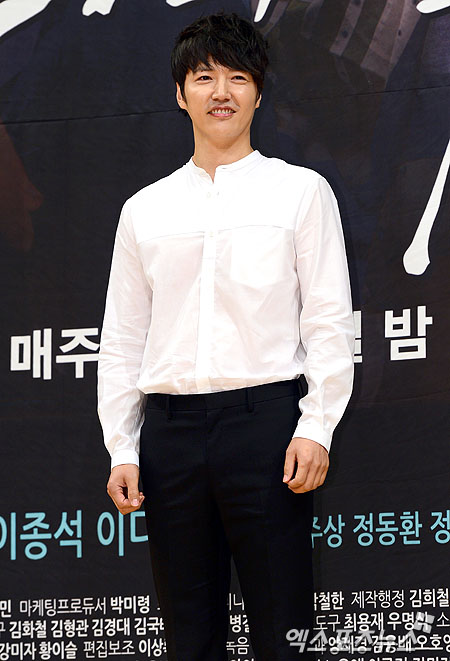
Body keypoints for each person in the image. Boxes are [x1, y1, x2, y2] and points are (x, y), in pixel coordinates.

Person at [97, 11, 355, 661]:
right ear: (179, 93)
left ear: (259, 94)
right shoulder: (144, 210)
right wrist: (122, 445)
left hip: (267, 427)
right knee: (189, 634)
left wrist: (317, 426)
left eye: (238, 77)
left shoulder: (301, 193)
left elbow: (329, 319)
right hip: (170, 436)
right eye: (204, 77)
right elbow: (123, 338)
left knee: (284, 627)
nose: (221, 92)